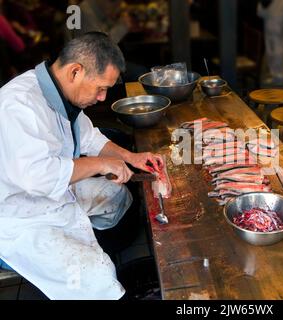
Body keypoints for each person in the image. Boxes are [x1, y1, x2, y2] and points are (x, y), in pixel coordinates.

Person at [0, 32, 162, 300]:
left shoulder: (59, 93)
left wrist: (130, 157)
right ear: (75, 71)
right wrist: (99, 164)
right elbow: (39, 178)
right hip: (20, 216)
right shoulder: (18, 105)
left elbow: (90, 138)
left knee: (116, 196)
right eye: (101, 88)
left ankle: (98, 243)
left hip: (56, 194)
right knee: (96, 277)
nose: (102, 98)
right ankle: (94, 277)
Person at [257, 0, 283, 85]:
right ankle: (276, 74)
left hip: (276, 12)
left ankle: (278, 76)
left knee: (276, 47)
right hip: (276, 12)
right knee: (276, 45)